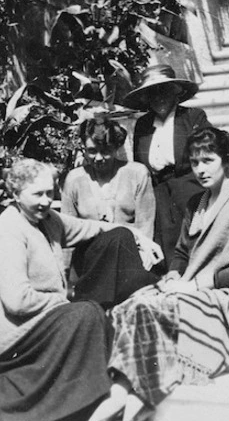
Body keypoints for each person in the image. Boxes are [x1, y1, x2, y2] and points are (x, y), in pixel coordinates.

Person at [75, 127, 229, 421]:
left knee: (154, 310)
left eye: (208, 160)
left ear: (226, 160)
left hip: (227, 293)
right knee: (134, 303)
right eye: (194, 162)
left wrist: (191, 286)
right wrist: (175, 274)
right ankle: (122, 391)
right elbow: (181, 252)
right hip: (190, 283)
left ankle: (139, 395)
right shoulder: (196, 203)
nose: (201, 169)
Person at [0, 158, 160, 421]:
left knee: (92, 308)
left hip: (41, 319)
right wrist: (61, 302)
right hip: (12, 335)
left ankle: (91, 398)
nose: (45, 201)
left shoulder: (47, 220)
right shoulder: (9, 232)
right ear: (15, 194)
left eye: (49, 193)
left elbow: (91, 227)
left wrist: (137, 235)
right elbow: (16, 301)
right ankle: (72, 405)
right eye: (37, 194)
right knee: (86, 312)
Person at [62, 116, 159, 302]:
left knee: (122, 238)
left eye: (105, 151)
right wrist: (64, 280)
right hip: (90, 262)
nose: (98, 158)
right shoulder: (74, 180)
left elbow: (145, 225)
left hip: (129, 259)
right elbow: (66, 232)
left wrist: (144, 258)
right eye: (91, 151)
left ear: (116, 148)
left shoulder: (137, 174)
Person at [124, 64, 213, 266]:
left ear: (176, 92)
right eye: (152, 93)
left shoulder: (192, 117)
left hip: (190, 183)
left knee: (193, 235)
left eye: (164, 90)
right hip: (157, 190)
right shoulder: (143, 125)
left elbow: (210, 154)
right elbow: (139, 165)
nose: (159, 97)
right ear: (146, 99)